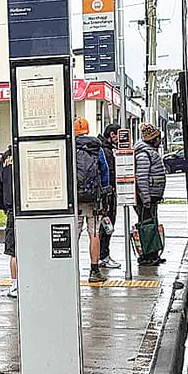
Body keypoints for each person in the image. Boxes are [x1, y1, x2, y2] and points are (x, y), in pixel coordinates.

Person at [73, 116, 111, 282]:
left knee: (73, 234)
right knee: (94, 233)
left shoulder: (70, 147)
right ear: (87, 130)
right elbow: (105, 172)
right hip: (94, 199)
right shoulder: (97, 148)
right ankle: (94, 270)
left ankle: (71, 269)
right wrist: (103, 193)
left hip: (75, 200)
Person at [134, 123, 169, 265]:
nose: (160, 141)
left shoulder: (148, 152)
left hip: (151, 196)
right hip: (146, 198)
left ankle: (153, 254)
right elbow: (141, 177)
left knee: (150, 224)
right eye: (159, 138)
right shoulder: (144, 154)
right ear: (153, 139)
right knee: (147, 226)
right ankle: (148, 255)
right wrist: (146, 198)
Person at [0, 142, 18, 297]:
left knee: (14, 252)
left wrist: (3, 206)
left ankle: (15, 285)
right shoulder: (27, 152)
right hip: (31, 209)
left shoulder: (6, 157)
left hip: (12, 210)